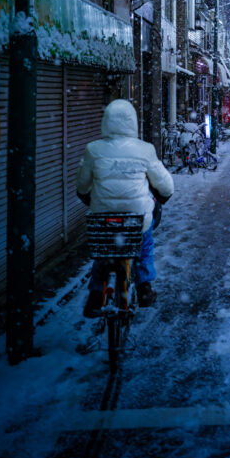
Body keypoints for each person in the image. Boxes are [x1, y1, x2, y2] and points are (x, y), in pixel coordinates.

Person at [76, 99, 174, 317]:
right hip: (136, 219)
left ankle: (95, 294)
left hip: (104, 219)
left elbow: (81, 186)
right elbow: (166, 186)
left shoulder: (93, 149)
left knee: (103, 250)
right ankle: (144, 287)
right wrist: (162, 197)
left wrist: (90, 198)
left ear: (106, 122)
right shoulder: (145, 150)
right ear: (133, 123)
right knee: (145, 243)